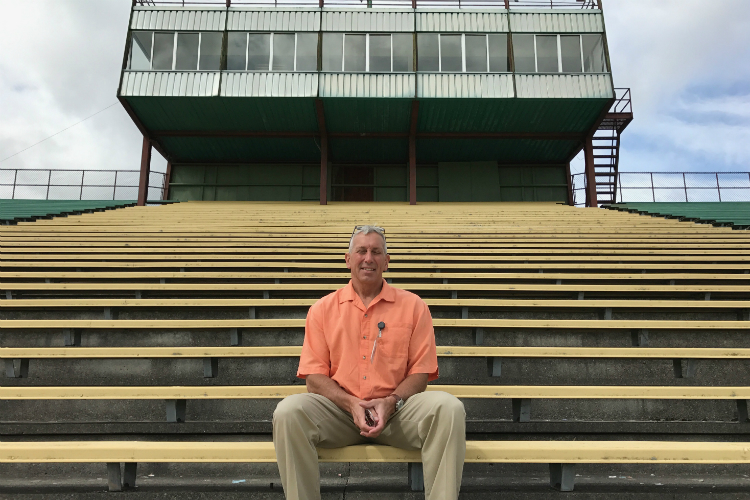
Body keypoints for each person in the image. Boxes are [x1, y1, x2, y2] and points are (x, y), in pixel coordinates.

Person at [273, 225, 466, 500]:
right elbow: (314, 377)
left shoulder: (414, 306)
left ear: (387, 261)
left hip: (397, 413)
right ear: (347, 259)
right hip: (339, 413)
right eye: (361, 251)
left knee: (449, 408)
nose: (368, 258)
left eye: (376, 251)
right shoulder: (322, 309)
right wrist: (350, 404)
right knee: (288, 412)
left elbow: (421, 373)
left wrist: (391, 402)